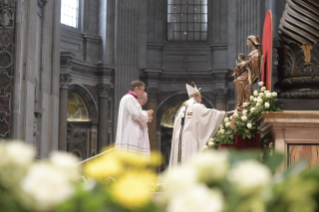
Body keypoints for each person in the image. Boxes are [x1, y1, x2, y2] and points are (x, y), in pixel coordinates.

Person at [169, 82, 227, 167]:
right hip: (191, 137)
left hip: (180, 138)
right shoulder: (196, 107)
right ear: (196, 97)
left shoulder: (181, 108)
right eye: (200, 97)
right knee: (190, 158)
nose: (201, 100)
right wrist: (225, 113)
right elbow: (210, 115)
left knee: (181, 159)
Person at [115, 80, 153, 155]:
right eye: (142, 90)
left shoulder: (129, 99)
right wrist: (146, 115)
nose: (143, 93)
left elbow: (136, 113)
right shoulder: (129, 98)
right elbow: (135, 115)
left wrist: (144, 114)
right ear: (137, 89)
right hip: (130, 134)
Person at [235, 35, 263, 111]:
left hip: (252, 72)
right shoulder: (253, 52)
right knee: (238, 80)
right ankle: (241, 103)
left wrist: (246, 63)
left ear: (252, 42)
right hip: (249, 71)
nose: (247, 44)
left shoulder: (257, 52)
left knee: (241, 81)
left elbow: (255, 62)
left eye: (248, 42)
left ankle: (247, 102)